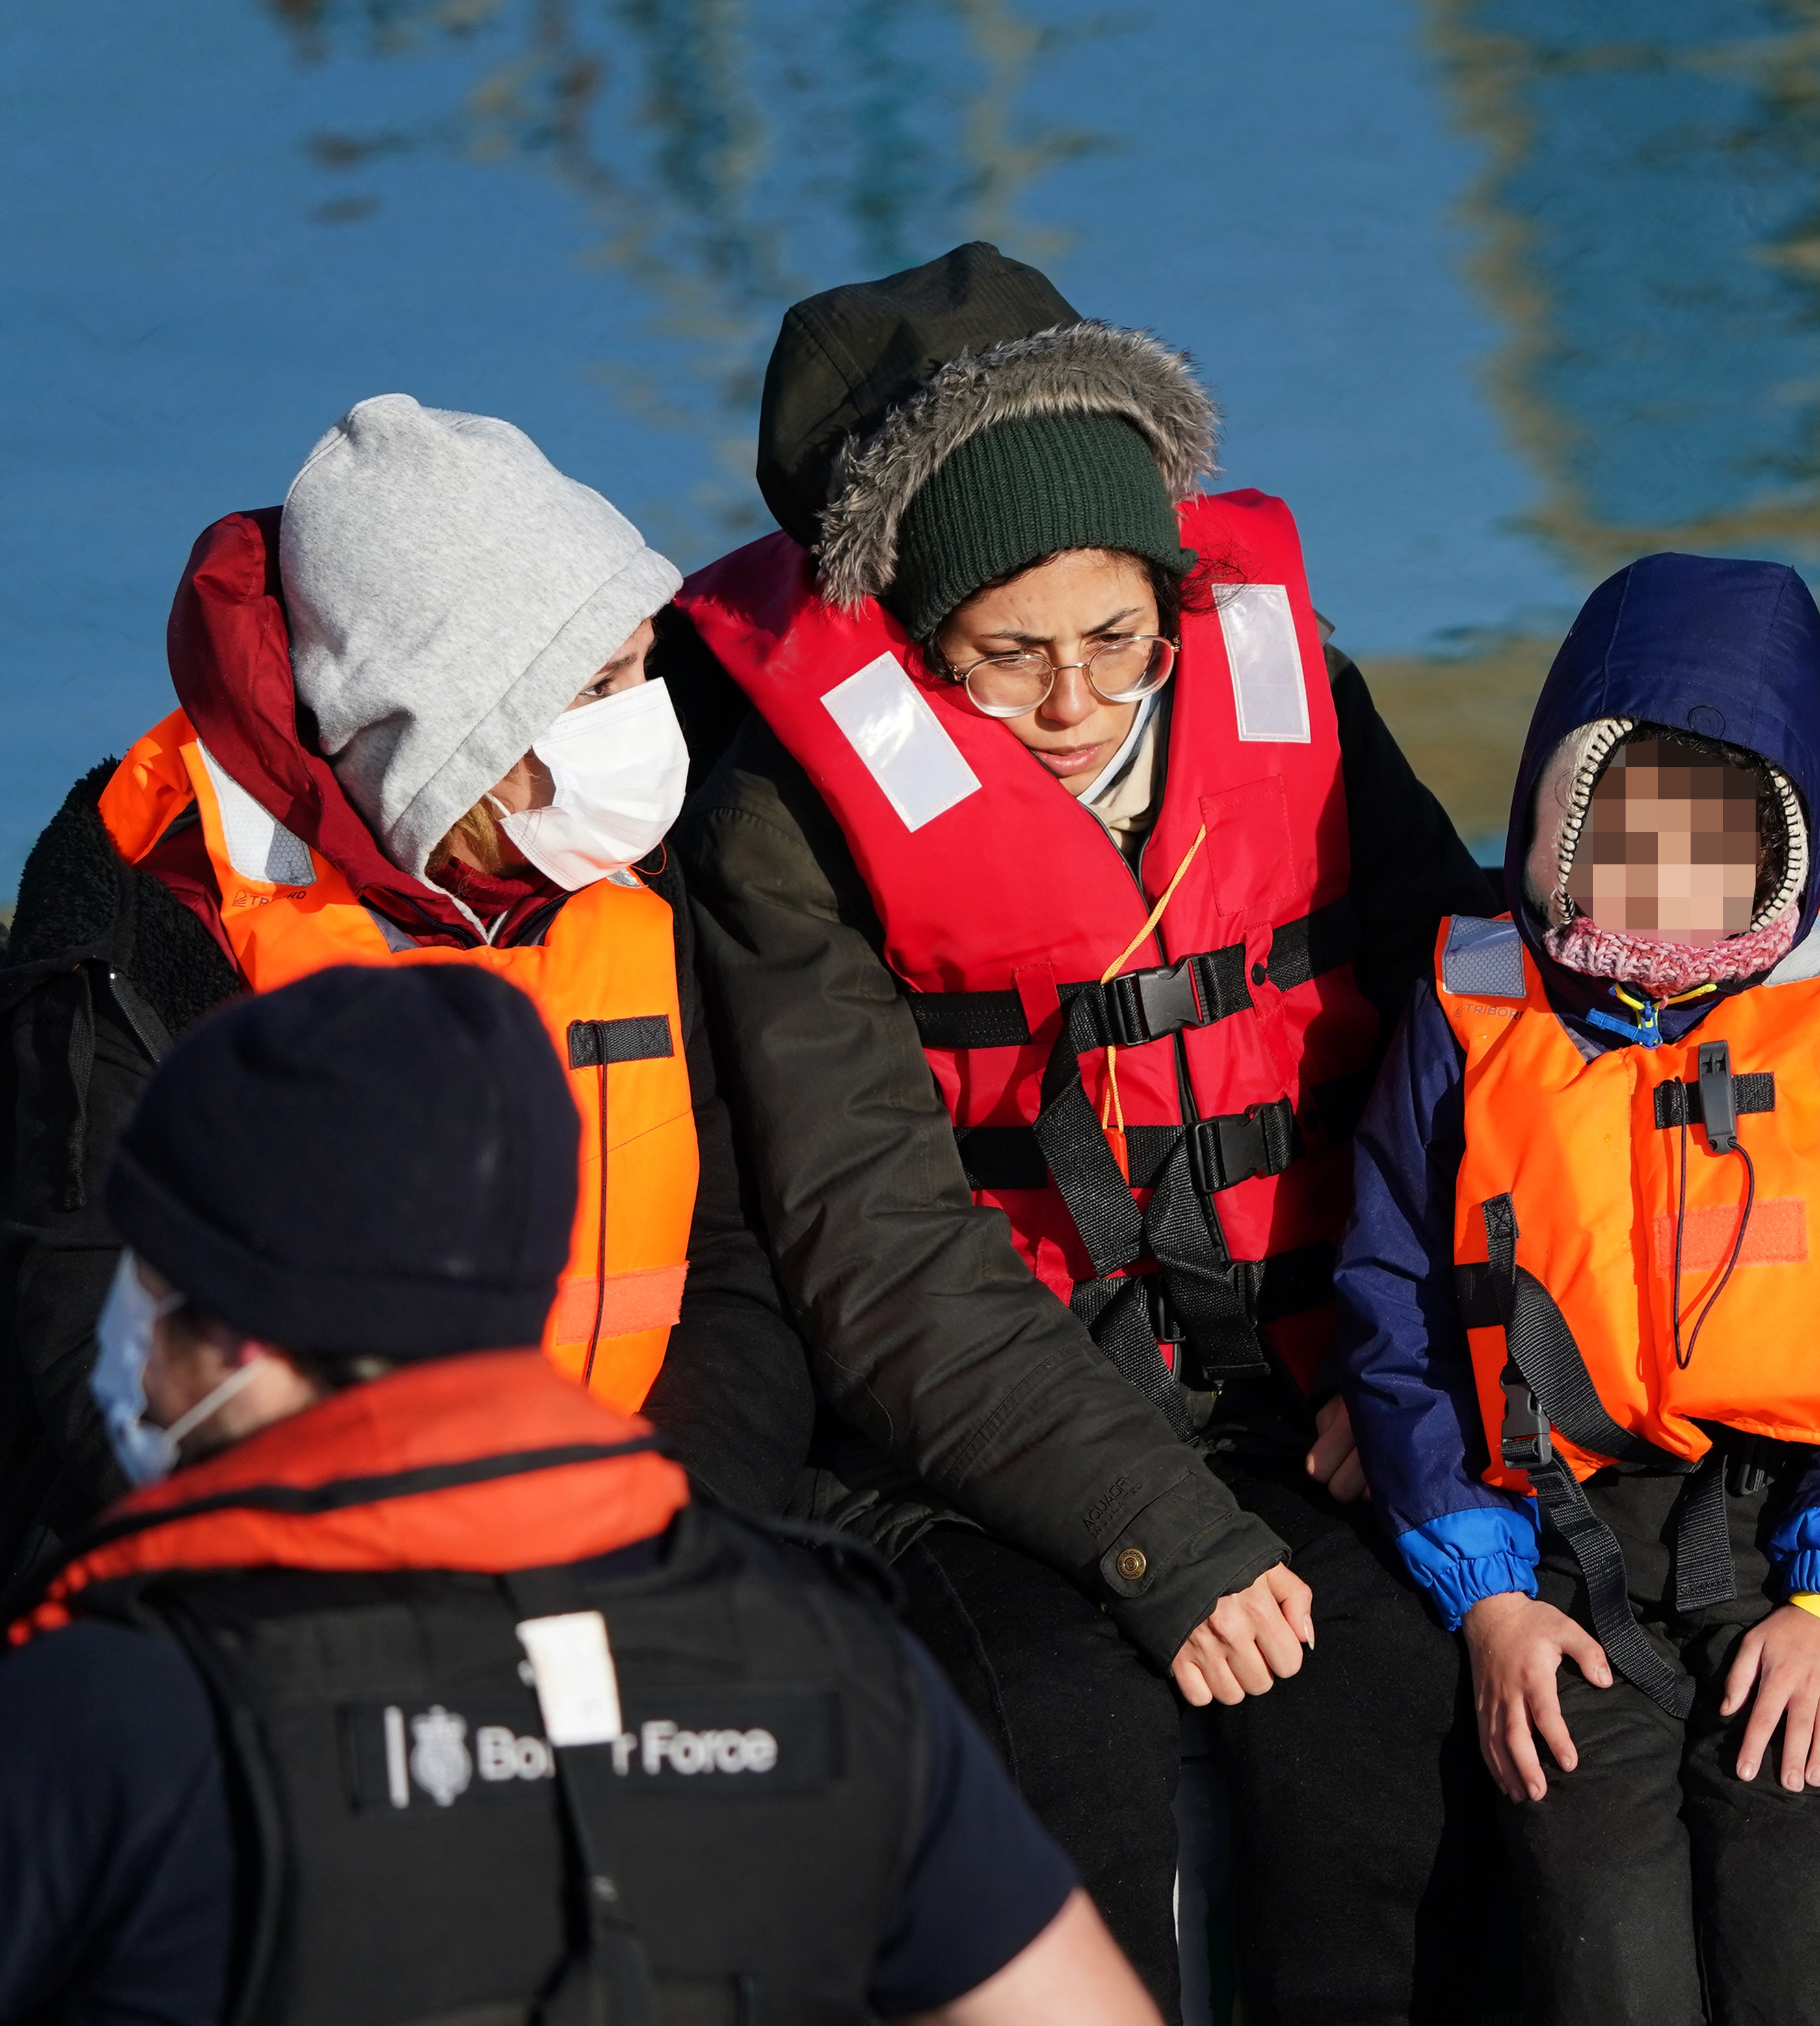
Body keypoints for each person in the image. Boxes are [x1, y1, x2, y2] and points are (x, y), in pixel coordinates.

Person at [667, 241, 1501, 2019]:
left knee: (1383, 1712)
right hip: (953, 1446)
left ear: (1171, 591)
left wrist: (1407, 1354)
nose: (1077, 706)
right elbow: (875, 1246)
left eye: (1119, 639)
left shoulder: (1293, 698)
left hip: (1297, 1386)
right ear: (907, 630)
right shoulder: (783, 831)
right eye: (1009, 657)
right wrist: (1159, 1533)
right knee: (1069, 1743)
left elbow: (1458, 1034)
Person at [0, 963, 1157, 2026]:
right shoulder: (839, 1662)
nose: (129, 1350)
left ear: (247, 1331)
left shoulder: (100, 1709)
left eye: (147, 1282)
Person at [0, 394, 813, 1585]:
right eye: (598, 688)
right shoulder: (157, 915)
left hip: (620, 1544)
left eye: (643, 667)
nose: (648, 720)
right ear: (455, 736)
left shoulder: (634, 873)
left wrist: (659, 1530)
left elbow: (735, 1267)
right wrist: (400, 1593)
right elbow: (89, 1332)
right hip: (279, 1579)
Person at [1337, 552, 1820, 2026]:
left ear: (1787, 847)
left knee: (1810, 1927)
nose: (1663, 882)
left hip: (1797, 1534)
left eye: (1719, 838)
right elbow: (1395, 1299)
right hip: (1558, 1558)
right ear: (1552, 819)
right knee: (1603, 1947)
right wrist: (1487, 1597)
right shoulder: (1465, 1008)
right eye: (1621, 831)